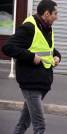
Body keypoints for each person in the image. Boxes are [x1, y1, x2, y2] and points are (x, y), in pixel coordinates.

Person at [2, 0, 61, 133]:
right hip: (31, 83)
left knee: (23, 123)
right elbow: (8, 47)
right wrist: (31, 56)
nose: (57, 17)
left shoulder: (46, 27)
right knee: (40, 126)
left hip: (42, 82)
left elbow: (47, 48)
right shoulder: (29, 27)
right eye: (55, 14)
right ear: (46, 13)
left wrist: (58, 56)